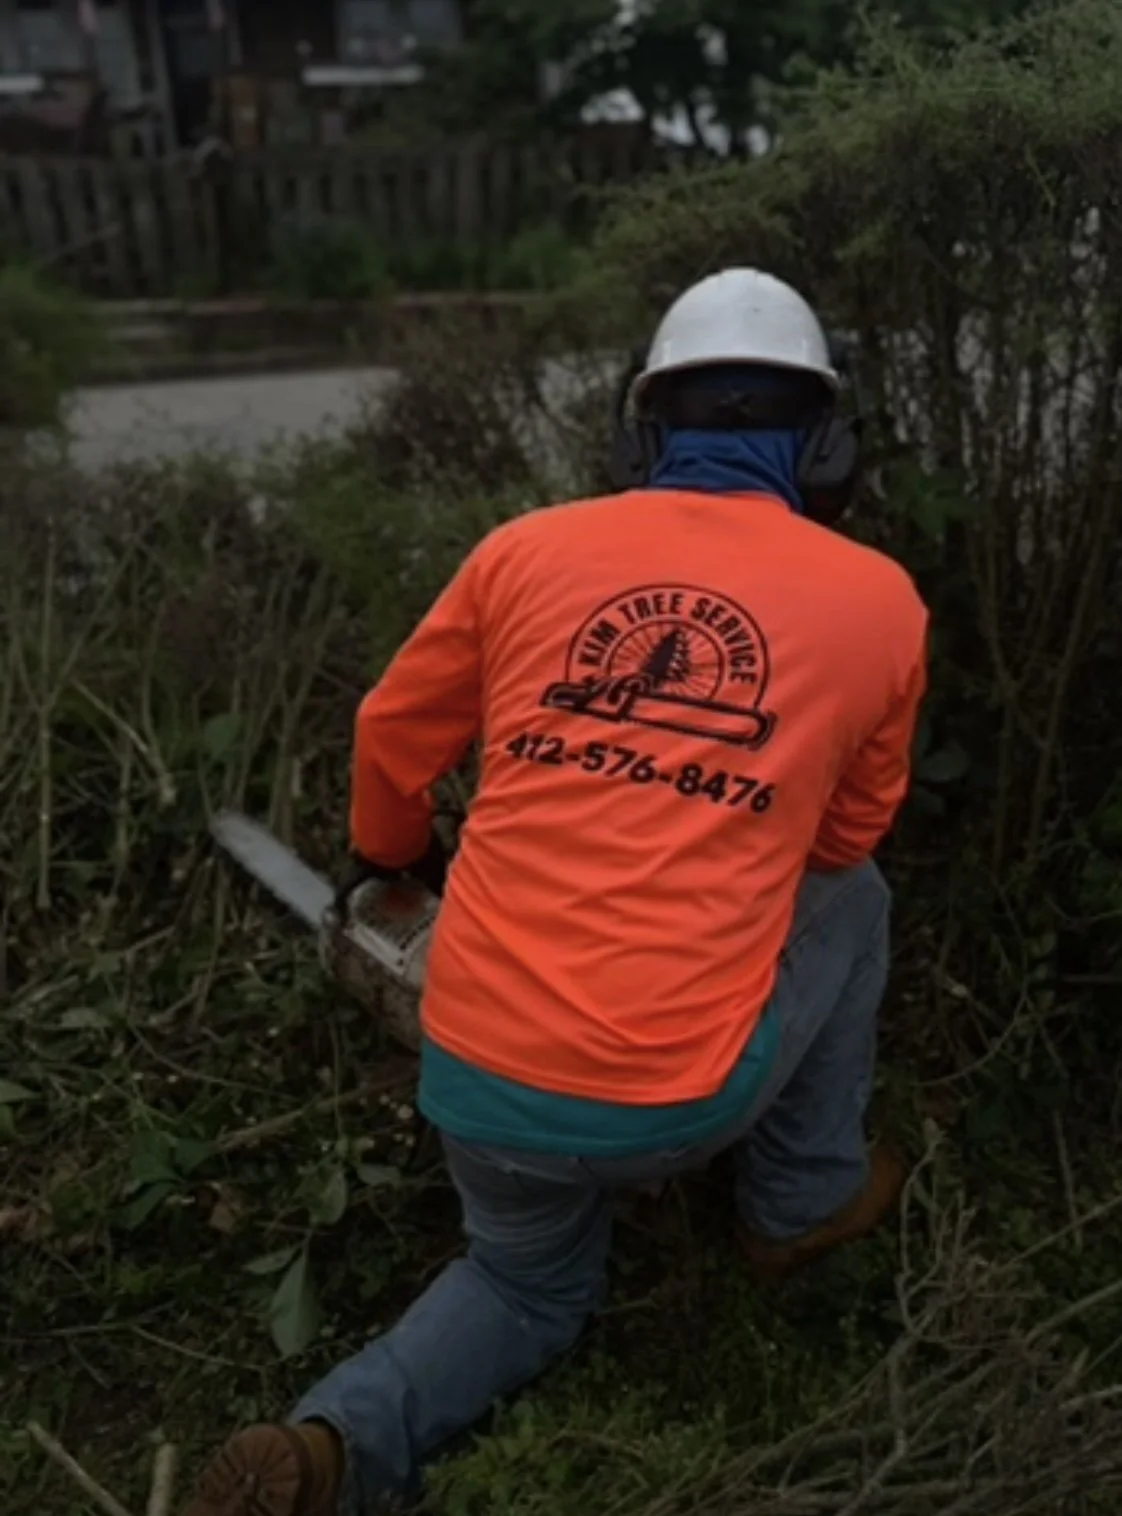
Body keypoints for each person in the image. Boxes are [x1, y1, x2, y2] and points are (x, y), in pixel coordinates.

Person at [183, 268, 929, 1516]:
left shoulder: (523, 552)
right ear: (826, 440)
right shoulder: (879, 602)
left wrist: (397, 859)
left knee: (526, 1284)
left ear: (642, 431)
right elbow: (844, 841)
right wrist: (722, 797)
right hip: (674, 1105)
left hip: (471, 1072)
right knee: (855, 903)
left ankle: (330, 1446)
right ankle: (798, 1199)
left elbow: (390, 740)